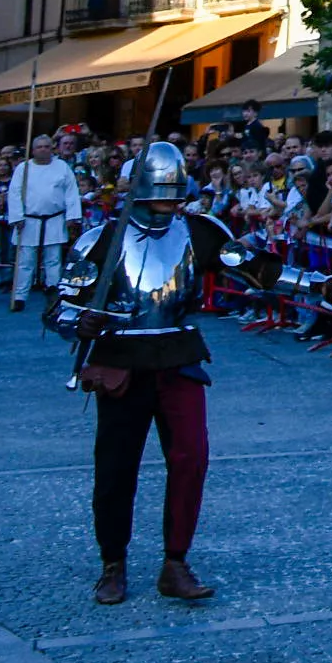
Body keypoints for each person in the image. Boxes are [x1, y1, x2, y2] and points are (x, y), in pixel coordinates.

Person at [55, 141, 227, 606]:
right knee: (115, 468)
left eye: (174, 199)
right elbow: (60, 308)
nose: (167, 207)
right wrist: (80, 321)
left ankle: (176, 562)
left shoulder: (198, 231)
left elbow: (249, 266)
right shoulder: (100, 240)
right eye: (160, 197)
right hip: (121, 362)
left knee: (191, 460)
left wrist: (314, 284)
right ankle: (112, 564)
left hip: (178, 356)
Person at [8, 132, 84, 313]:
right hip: (29, 220)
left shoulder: (62, 167)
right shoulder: (23, 168)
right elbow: (15, 192)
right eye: (39, 147)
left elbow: (71, 193)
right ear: (33, 150)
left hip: (54, 218)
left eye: (47, 146)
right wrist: (17, 217)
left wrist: (72, 216)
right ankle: (19, 296)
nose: (43, 150)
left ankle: (53, 293)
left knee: (53, 259)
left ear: (52, 148)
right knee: (25, 260)